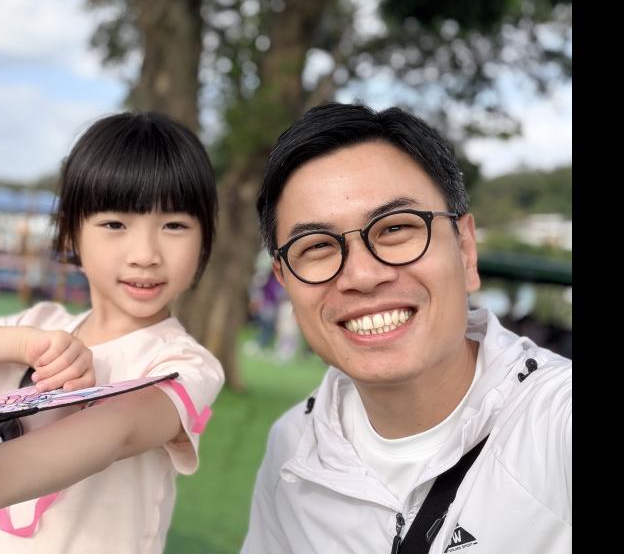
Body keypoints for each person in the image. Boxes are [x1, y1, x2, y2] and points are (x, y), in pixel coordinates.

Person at [0, 111, 225, 553]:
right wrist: (23, 344)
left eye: (174, 226)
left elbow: (119, 429)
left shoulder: (185, 364)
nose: (145, 254)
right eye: (115, 224)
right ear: (71, 233)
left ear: (205, 238)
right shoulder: (39, 325)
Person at [242, 103, 571, 553]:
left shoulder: (554, 424)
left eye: (396, 228)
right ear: (284, 282)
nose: (362, 275)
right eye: (316, 246)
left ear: (465, 250)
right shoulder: (295, 447)